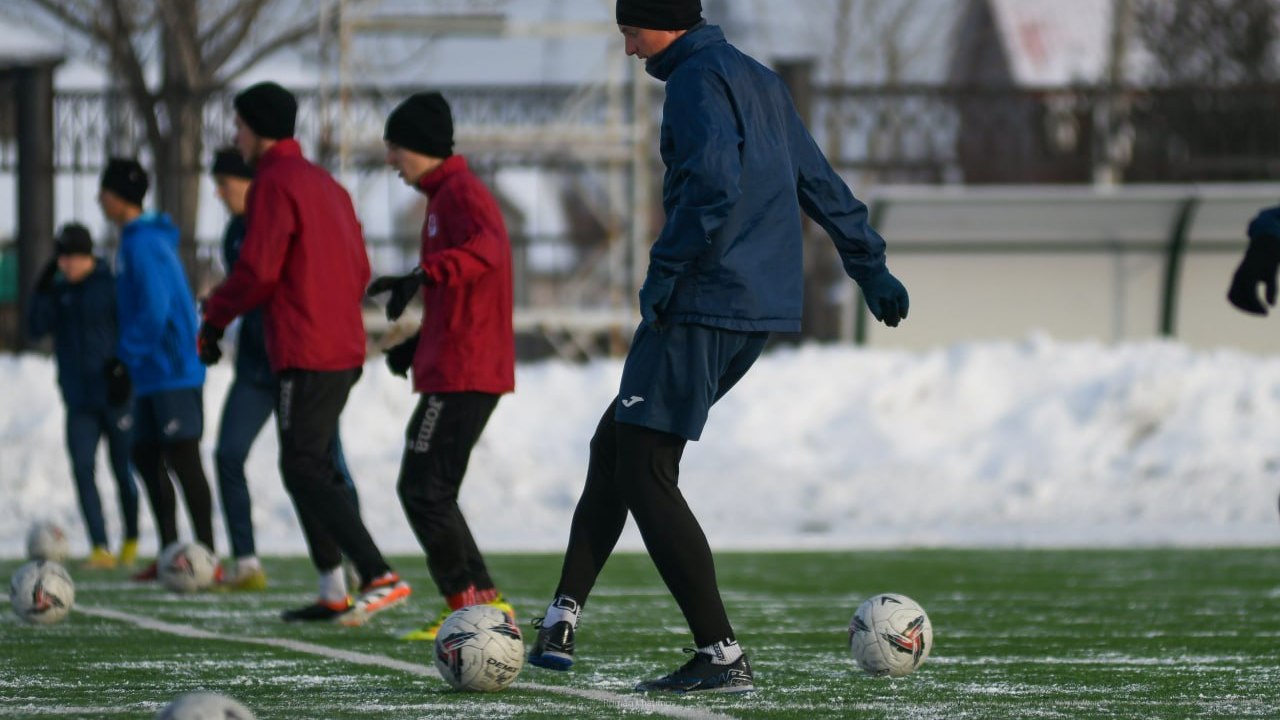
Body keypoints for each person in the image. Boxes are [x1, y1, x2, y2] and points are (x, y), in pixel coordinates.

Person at [526, 0, 910, 693]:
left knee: (644, 465)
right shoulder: (758, 79)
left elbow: (709, 186)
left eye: (631, 32)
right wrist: (869, 264)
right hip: (753, 306)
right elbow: (816, 179)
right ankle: (561, 619)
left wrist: (665, 268)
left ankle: (720, 653)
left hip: (705, 296)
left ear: (663, 19)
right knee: (617, 445)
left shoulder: (695, 81)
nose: (628, 49)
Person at [199, 82, 411, 624]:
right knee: (310, 464)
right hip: (340, 345)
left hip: (306, 347)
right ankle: (334, 588)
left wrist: (215, 315)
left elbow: (258, 271)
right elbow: (359, 269)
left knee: (303, 465)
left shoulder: (273, 183)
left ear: (257, 128)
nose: (236, 136)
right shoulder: (327, 184)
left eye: (239, 125)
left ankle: (377, 573)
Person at [368, 92, 515, 641]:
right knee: (430, 489)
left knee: (423, 489)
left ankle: (470, 607)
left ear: (423, 146)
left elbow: (488, 251)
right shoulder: (443, 197)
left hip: (466, 371)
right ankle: (484, 604)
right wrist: (418, 343)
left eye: (396, 147)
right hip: (456, 363)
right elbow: (462, 293)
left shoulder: (461, 193)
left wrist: (423, 275)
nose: (390, 159)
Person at [208, 147, 364, 593]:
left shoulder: (283, 214)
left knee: (325, 464)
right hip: (257, 369)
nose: (219, 193)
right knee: (228, 454)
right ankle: (246, 561)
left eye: (225, 184)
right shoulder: (234, 232)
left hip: (300, 362)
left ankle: (357, 560)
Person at [99, 157, 218, 581]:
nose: (100, 199)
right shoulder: (133, 241)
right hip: (151, 372)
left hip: (172, 369)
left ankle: (207, 556)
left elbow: (156, 308)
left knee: (183, 456)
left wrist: (124, 356)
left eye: (105, 191)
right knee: (145, 455)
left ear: (119, 197)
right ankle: (170, 552)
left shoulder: (144, 244)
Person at [26, 223, 140, 570]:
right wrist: (42, 289)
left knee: (123, 469)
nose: (67, 265)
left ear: (87, 256)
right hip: (79, 400)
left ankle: (131, 538)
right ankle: (100, 546)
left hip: (115, 396)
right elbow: (34, 329)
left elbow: (133, 329)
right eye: (62, 258)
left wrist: (124, 369)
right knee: (82, 469)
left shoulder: (111, 285)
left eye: (72, 257)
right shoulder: (59, 292)